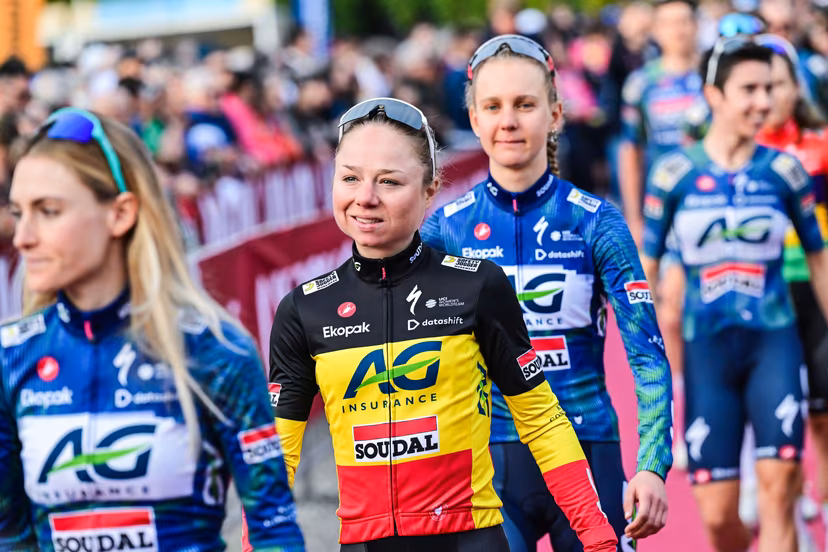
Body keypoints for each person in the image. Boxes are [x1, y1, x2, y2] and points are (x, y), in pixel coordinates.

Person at [267, 97, 618, 552]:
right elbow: (276, 458)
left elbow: (541, 419)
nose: (365, 198)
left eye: (389, 181)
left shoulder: (477, 285)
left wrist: (596, 533)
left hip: (470, 537)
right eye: (349, 178)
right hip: (364, 542)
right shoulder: (303, 309)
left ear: (430, 190)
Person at [0, 107, 305, 550]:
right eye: (18, 212)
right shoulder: (12, 357)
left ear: (120, 214)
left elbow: (273, 527)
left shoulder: (215, 350)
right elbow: (11, 538)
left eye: (48, 211)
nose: (23, 236)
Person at [422, 35, 673, 552]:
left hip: (588, 452)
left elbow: (647, 356)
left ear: (555, 114)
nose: (508, 121)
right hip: (490, 461)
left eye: (525, 104)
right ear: (474, 119)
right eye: (492, 106)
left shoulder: (596, 221)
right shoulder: (443, 230)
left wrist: (652, 466)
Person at [641, 37, 828, 552]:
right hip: (707, 353)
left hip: (775, 343)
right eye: (749, 89)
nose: (763, 101)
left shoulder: (785, 171)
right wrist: (648, 347)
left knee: (776, 493)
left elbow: (818, 258)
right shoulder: (674, 173)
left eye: (769, 88)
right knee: (722, 521)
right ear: (714, 95)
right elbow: (647, 269)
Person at [618, 0, 707, 470]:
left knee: (706, 314)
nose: (677, 30)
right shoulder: (643, 83)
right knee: (668, 315)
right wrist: (633, 212)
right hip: (664, 214)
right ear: (656, 29)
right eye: (668, 22)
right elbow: (630, 149)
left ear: (695, 26)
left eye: (684, 21)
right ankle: (680, 419)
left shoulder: (714, 74)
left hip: (712, 208)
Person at [755, 34, 828, 544]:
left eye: (779, 83)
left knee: (823, 414)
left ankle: (820, 497)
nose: (770, 96)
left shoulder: (822, 143)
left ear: (794, 86)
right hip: (765, 297)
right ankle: (789, 509)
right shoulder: (744, 152)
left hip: (815, 291)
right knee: (778, 422)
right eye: (760, 85)